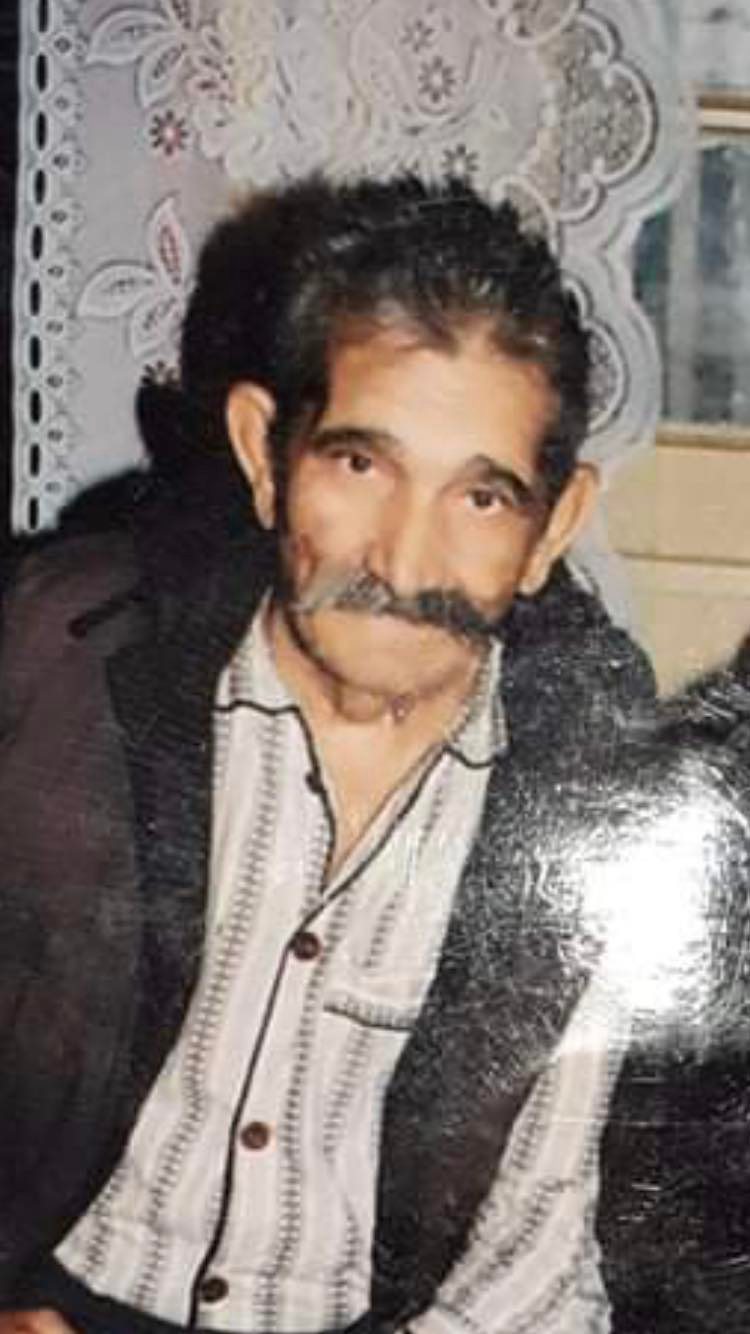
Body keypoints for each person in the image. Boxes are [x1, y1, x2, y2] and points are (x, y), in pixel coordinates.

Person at [0, 175, 655, 1334]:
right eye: (361, 465)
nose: (405, 561)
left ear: (552, 526)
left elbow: (532, 1262)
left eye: (483, 496)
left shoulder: (590, 792)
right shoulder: (57, 663)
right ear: (266, 454)